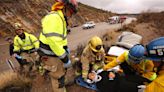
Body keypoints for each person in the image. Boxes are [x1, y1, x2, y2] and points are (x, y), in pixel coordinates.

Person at [38, 0, 78, 92]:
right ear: (64, 7)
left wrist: (64, 48)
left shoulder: (60, 18)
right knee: (57, 76)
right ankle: (60, 89)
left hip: (56, 52)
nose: (71, 15)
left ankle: (63, 83)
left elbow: (59, 38)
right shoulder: (54, 18)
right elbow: (53, 41)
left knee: (61, 71)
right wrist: (64, 57)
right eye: (70, 12)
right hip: (51, 54)